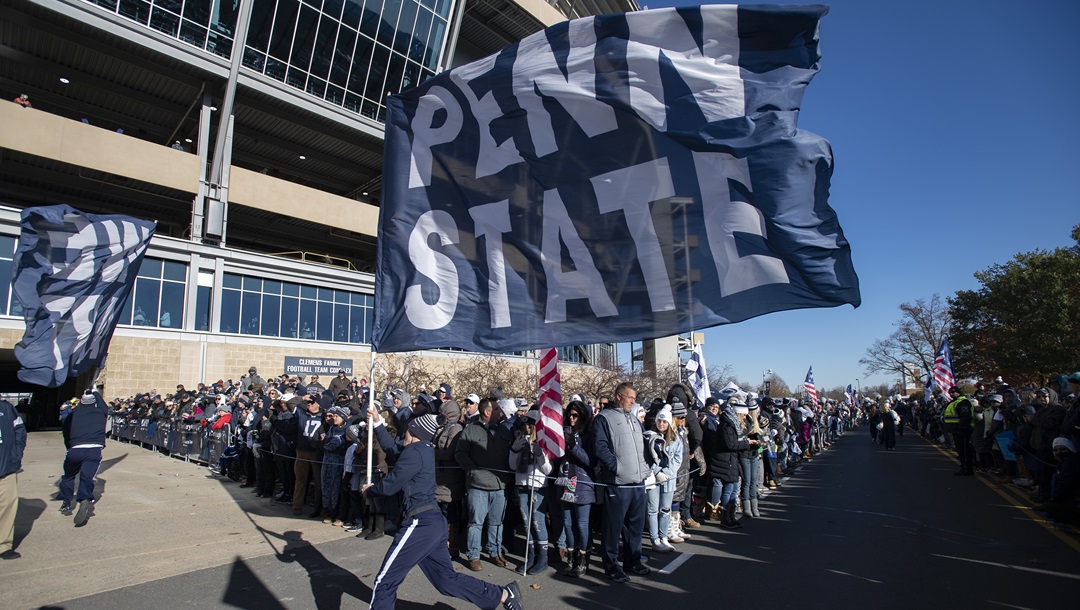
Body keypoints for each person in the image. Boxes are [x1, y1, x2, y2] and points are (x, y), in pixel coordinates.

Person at [362, 406, 525, 610]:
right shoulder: (422, 449)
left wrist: (370, 490)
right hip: (433, 523)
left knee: (385, 581)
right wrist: (377, 422)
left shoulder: (413, 454)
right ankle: (502, 594)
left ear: (412, 432)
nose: (403, 434)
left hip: (419, 524)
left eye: (406, 431)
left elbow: (390, 485)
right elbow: (393, 451)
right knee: (446, 580)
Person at [593, 381, 650, 583]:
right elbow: (600, 447)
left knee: (635, 526)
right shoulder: (603, 418)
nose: (633, 401)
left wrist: (646, 467)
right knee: (613, 527)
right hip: (617, 483)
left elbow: (642, 446)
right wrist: (616, 467)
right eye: (630, 397)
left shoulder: (634, 419)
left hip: (638, 481)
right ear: (618, 396)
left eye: (634, 398)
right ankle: (611, 566)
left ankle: (632, 560)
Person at [455, 397, 513, 571]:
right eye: (496, 409)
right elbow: (460, 453)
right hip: (478, 486)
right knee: (476, 522)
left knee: (497, 522)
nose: (499, 412)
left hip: (499, 485)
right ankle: (473, 555)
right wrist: (472, 470)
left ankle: (495, 552)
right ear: (486, 412)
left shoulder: (504, 431)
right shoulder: (471, 431)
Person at [508, 410, 552, 575]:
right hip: (522, 484)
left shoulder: (542, 443)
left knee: (537, 521)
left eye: (530, 425)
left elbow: (548, 469)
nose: (527, 428)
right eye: (524, 424)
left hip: (538, 486)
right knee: (526, 522)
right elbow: (512, 466)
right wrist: (513, 450)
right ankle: (531, 556)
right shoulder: (519, 441)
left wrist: (540, 454)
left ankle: (543, 558)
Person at [59, 389, 110, 526]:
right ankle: (84, 498)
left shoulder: (73, 415)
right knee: (86, 477)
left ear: (81, 402)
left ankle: (66, 501)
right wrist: (95, 393)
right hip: (94, 449)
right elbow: (104, 406)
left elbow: (66, 433)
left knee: (68, 476)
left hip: (76, 448)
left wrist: (69, 447)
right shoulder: (100, 413)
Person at [557, 400, 595, 577]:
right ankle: (570, 559)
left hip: (582, 483)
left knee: (582, 524)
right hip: (565, 482)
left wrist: (573, 445)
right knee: (567, 523)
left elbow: (590, 461)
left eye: (575, 415)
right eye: (569, 415)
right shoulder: (562, 431)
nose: (571, 419)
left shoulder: (588, 434)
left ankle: (583, 560)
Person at [645, 405, 681, 552]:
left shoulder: (675, 439)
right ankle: (655, 538)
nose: (661, 424)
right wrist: (657, 471)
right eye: (659, 421)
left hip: (669, 479)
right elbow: (647, 457)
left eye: (664, 421)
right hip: (654, 478)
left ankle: (663, 536)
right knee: (652, 509)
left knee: (665, 509)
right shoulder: (649, 436)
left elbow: (678, 458)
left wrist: (668, 471)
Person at [1, 398, 27, 559]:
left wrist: (15, 457)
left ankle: (3, 545)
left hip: (6, 469)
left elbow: (20, 432)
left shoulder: (6, 408)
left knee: (7, 507)